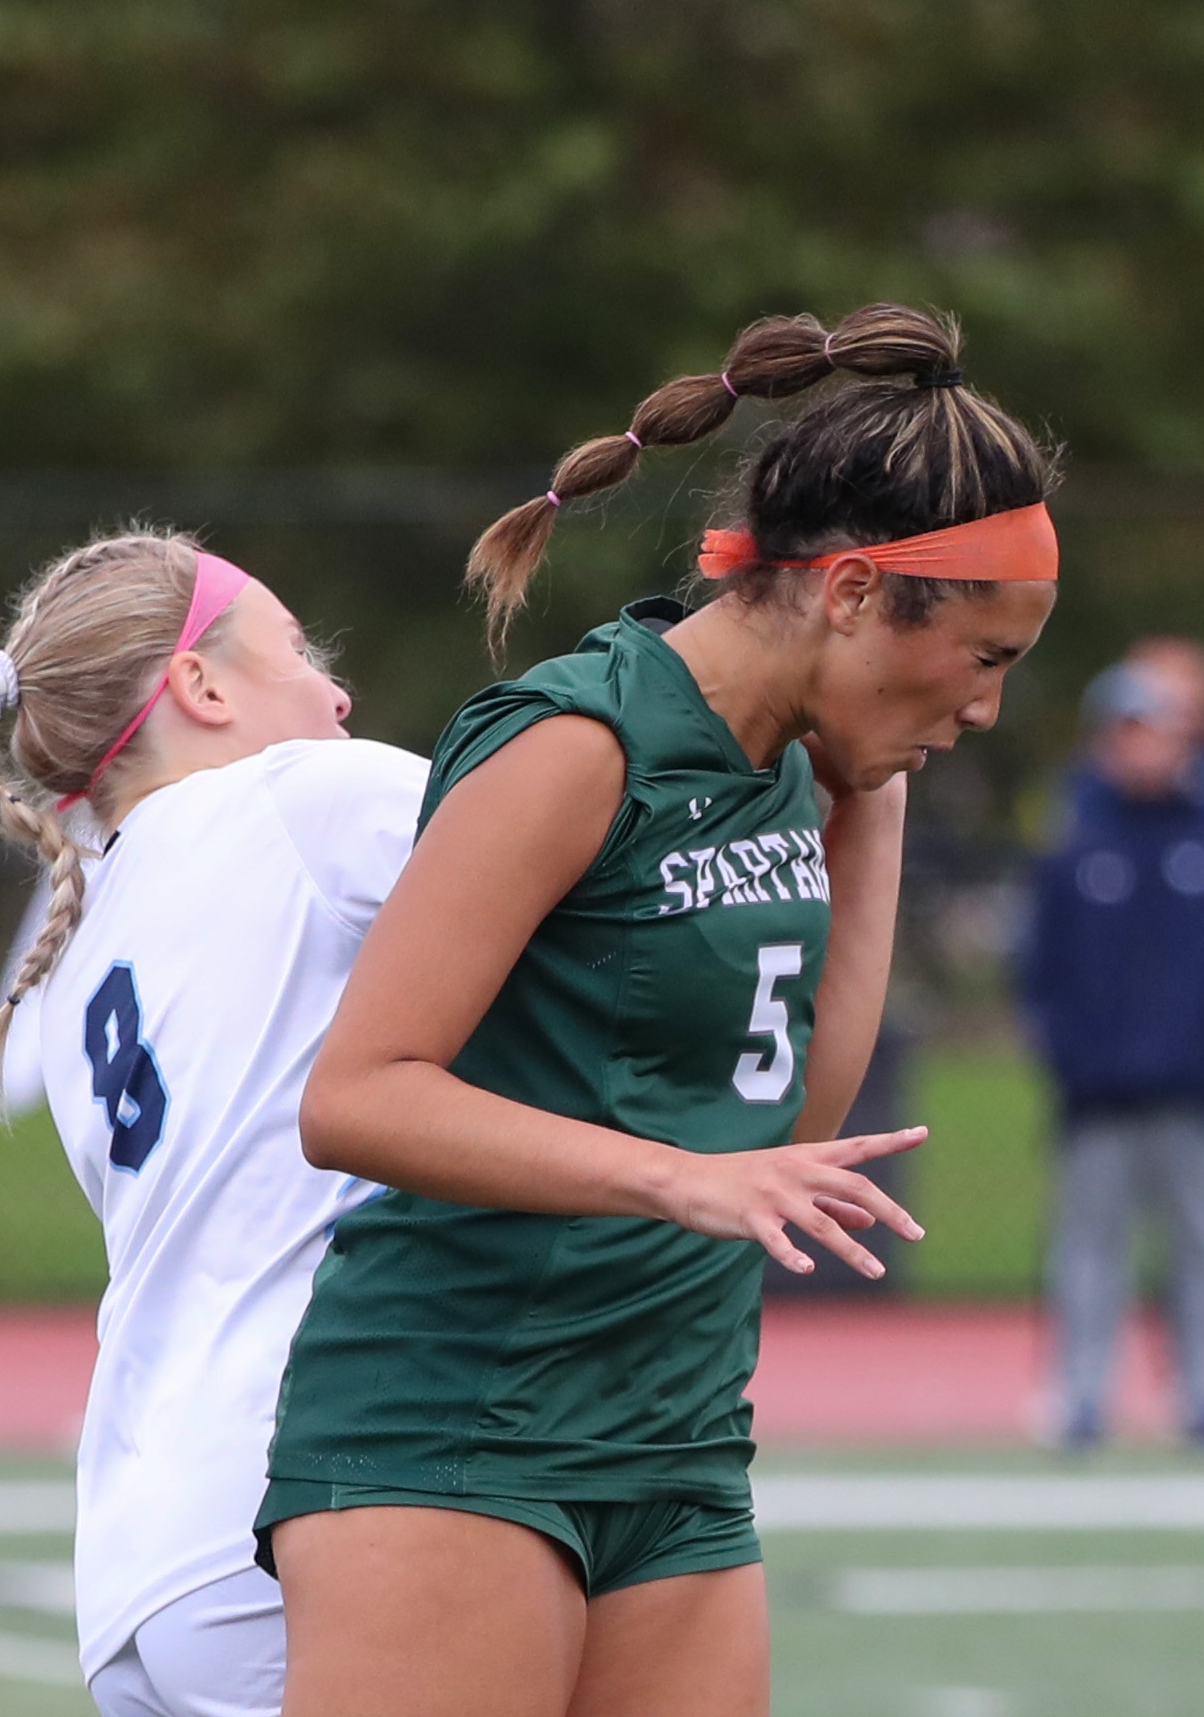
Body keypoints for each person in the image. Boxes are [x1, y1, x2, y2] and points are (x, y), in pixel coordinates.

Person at [258, 303, 1061, 1717]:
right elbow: (358, 1096)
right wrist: (671, 1178)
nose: (986, 707)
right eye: (984, 660)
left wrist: (865, 815)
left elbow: (789, 1127)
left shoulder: (781, 762)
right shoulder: (583, 743)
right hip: (459, 1427)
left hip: (677, 1438)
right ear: (856, 591)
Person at [0, 530, 428, 1717]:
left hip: (138, 1551)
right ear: (201, 688)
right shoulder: (305, 798)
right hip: (295, 1496)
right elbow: (599, 851)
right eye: (300, 652)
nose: (336, 688)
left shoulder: (82, 925)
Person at [1019, 637, 1204, 1449]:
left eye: (1150, 727)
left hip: (1196, 1081)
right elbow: (1043, 960)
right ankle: (1080, 1396)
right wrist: (1066, 1050)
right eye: (1121, 728)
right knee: (1086, 1245)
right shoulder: (1075, 826)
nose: (1134, 745)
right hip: (1097, 1084)